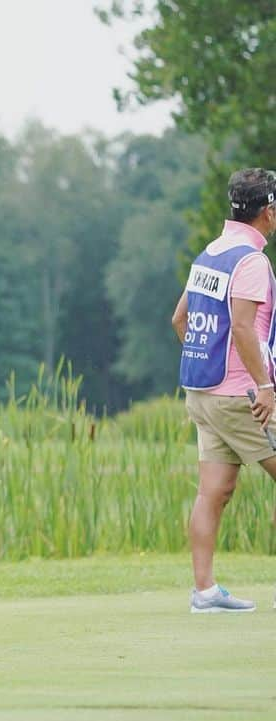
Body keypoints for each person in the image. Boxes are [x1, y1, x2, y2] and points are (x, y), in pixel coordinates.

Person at [173, 168, 276, 613]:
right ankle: (206, 593)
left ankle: (205, 592)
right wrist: (264, 385)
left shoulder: (210, 254)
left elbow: (180, 320)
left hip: (202, 393)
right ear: (268, 212)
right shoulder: (251, 261)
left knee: (213, 490)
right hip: (242, 398)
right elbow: (243, 327)